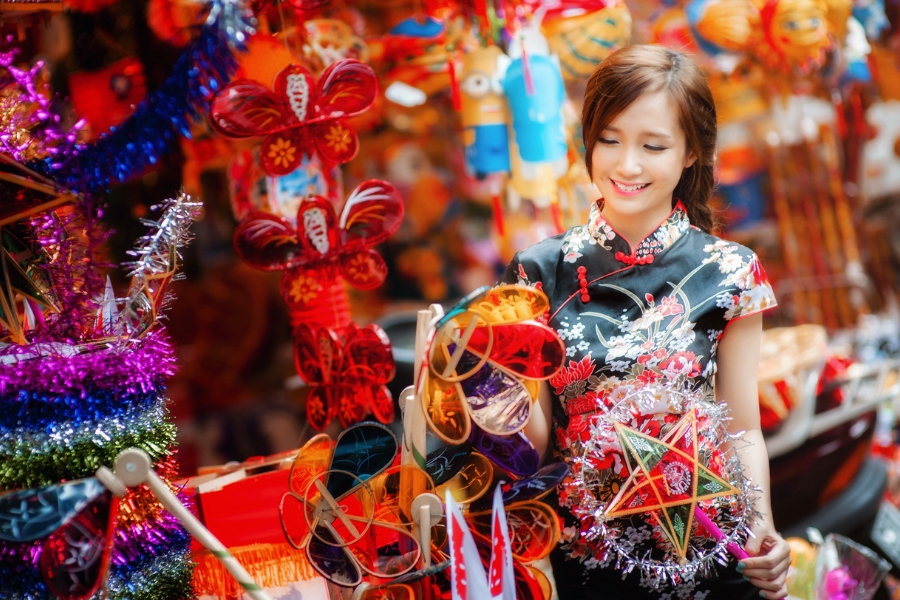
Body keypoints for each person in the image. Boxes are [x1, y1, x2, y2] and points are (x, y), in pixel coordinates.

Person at [501, 45, 791, 599]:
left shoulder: (731, 270)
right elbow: (534, 447)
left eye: (653, 146)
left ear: (691, 153)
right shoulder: (535, 272)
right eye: (609, 140)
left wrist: (761, 529)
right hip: (588, 567)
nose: (626, 165)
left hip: (707, 556)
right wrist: (485, 388)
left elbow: (742, 428)